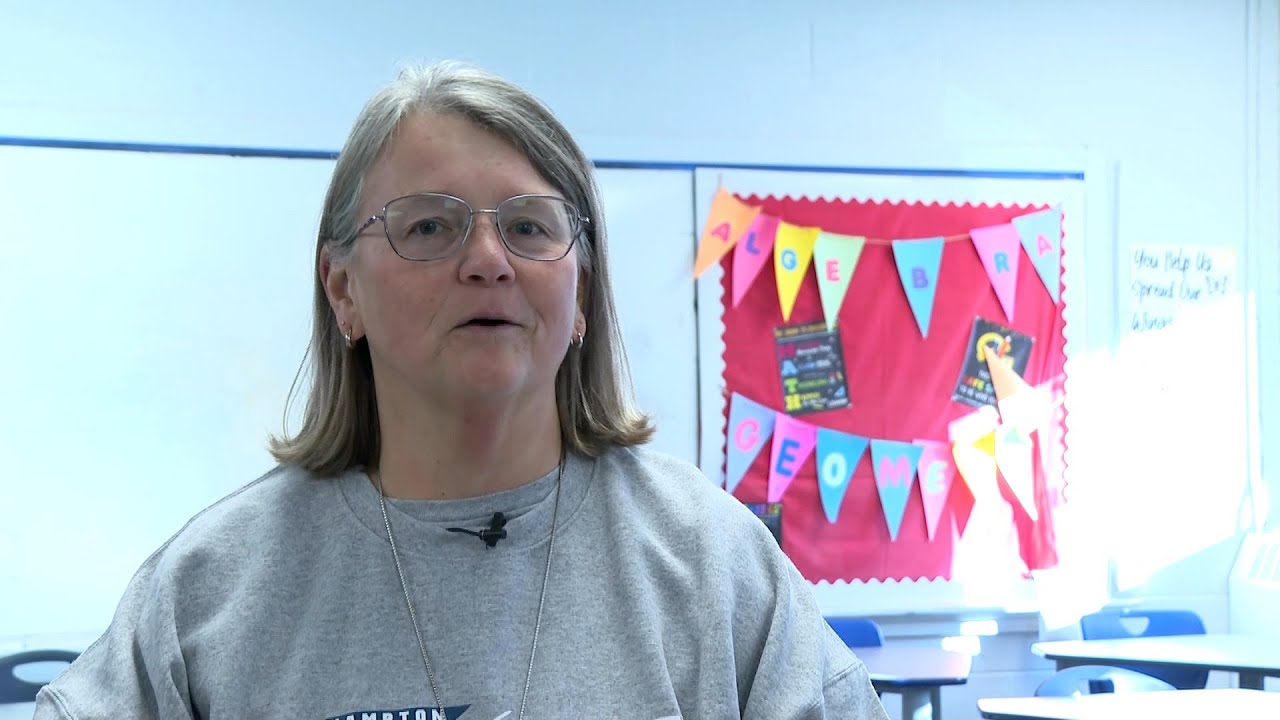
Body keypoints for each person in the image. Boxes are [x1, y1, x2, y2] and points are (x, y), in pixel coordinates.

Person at [35, 61, 889, 720]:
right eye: (429, 226)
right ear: (343, 290)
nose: (488, 260)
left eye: (529, 227)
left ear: (581, 296)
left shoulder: (713, 566)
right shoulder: (213, 590)